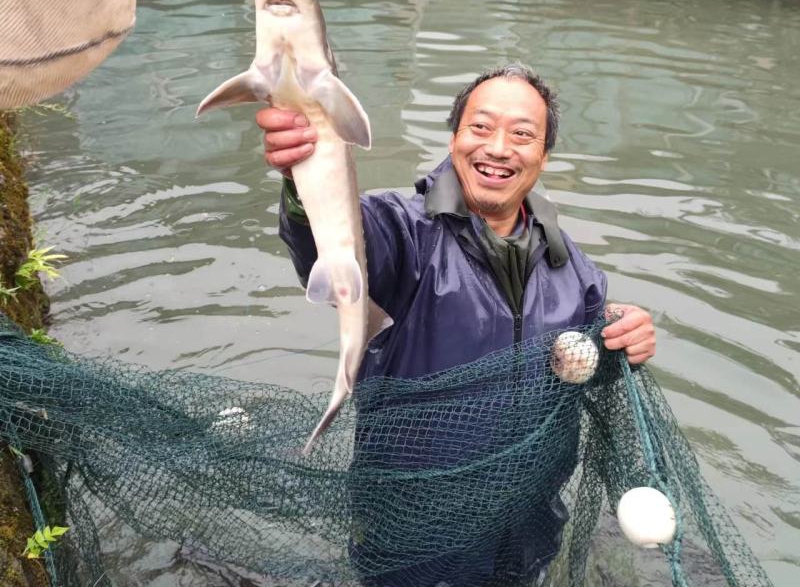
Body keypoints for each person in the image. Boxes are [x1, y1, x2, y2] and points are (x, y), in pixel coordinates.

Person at [257, 64, 656, 586]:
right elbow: (333, 244)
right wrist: (303, 179)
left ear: (543, 156)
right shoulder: (401, 230)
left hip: (527, 528)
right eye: (481, 127)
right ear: (455, 138)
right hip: (414, 535)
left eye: (522, 134)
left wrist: (624, 333)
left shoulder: (571, 264)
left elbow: (588, 359)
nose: (498, 148)